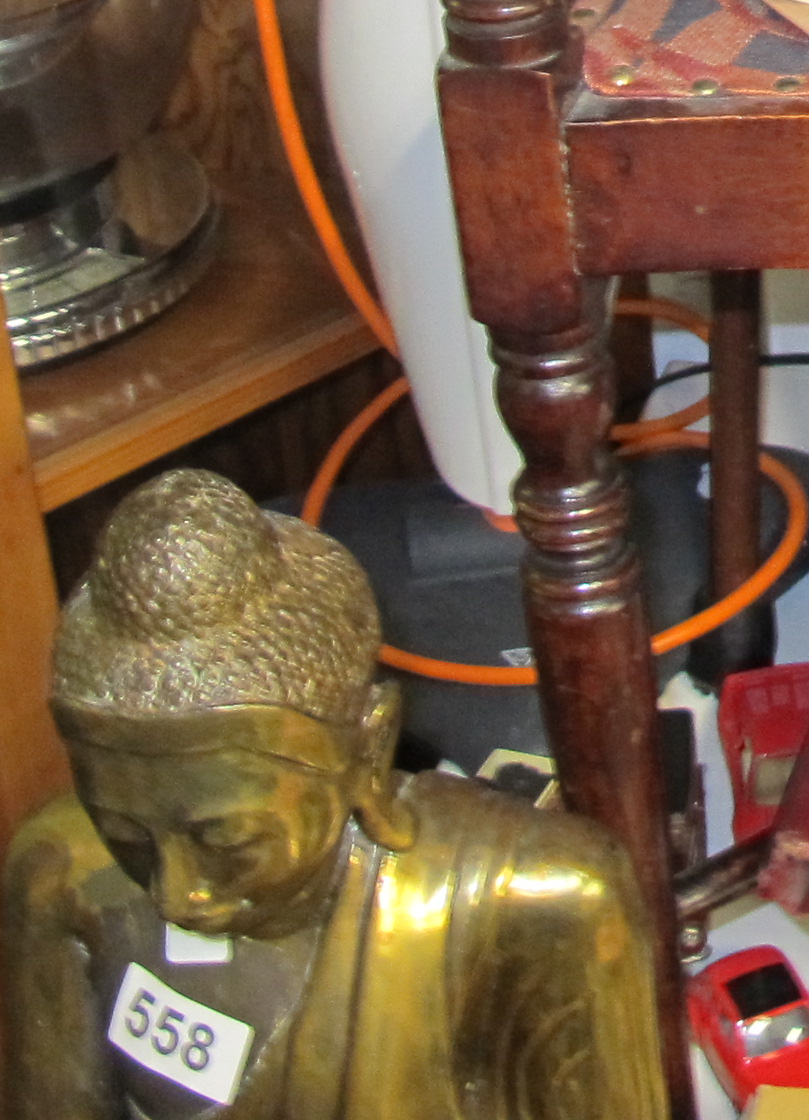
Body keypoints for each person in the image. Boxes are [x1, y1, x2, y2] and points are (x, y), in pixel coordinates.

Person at [3, 470, 661, 1119]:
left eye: (227, 838)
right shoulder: (61, 872)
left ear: (368, 750)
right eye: (126, 836)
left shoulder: (536, 900)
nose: (176, 896)